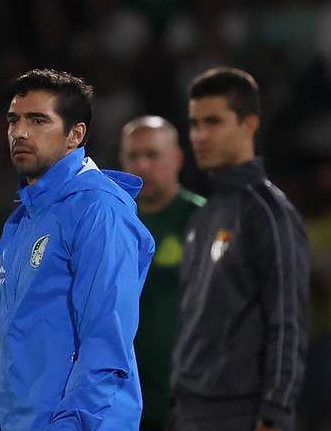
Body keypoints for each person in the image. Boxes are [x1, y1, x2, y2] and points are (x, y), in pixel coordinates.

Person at [0, 69, 155, 430]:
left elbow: (106, 343)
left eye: (38, 120)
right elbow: (14, 351)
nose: (21, 132)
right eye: (13, 120)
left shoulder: (99, 210)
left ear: (75, 134)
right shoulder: (21, 221)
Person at [170, 67, 310, 431]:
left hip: (241, 411)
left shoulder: (269, 212)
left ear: (249, 125)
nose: (199, 135)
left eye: (213, 122)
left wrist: (275, 413)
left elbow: (288, 318)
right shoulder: (206, 214)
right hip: (192, 405)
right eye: (194, 124)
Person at [118, 115, 205, 431]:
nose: (142, 165)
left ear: (178, 158)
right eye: (133, 156)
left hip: (187, 398)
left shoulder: (202, 220)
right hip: (121, 396)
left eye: (152, 155)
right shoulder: (109, 224)